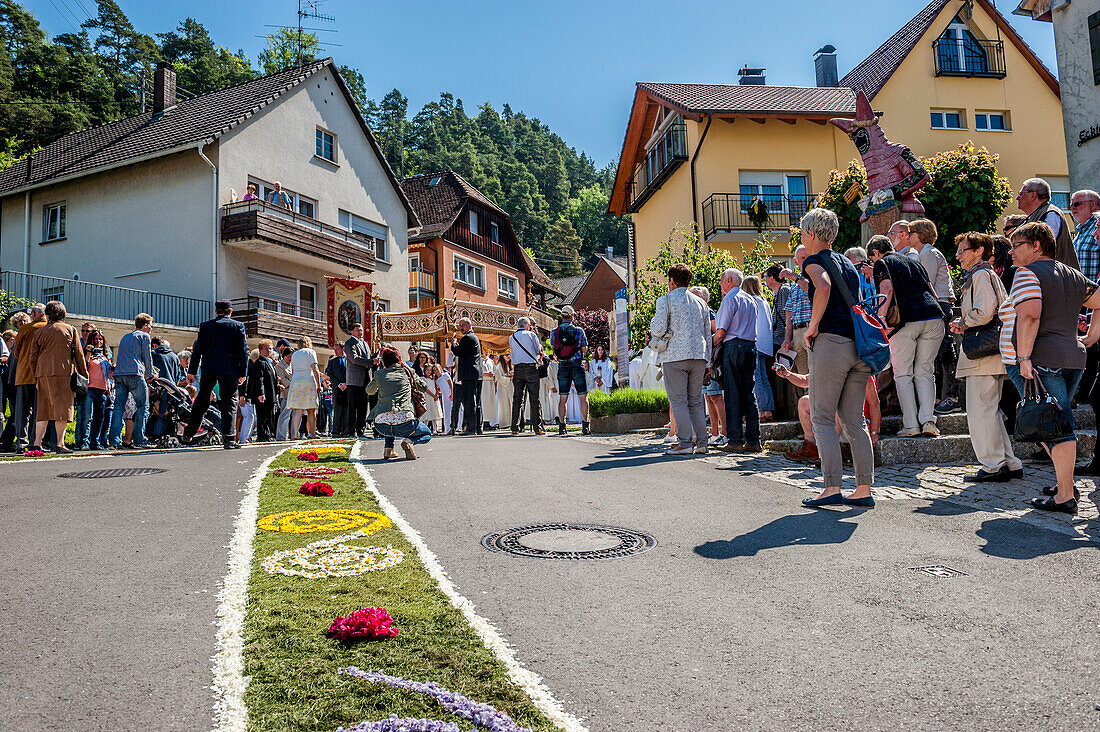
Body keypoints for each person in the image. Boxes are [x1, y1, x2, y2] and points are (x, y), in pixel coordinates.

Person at [1003, 222, 1100, 513]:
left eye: (1016, 245)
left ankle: (1065, 496)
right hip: (1072, 357)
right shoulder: (1073, 273)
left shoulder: (1027, 273)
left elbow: (1030, 315)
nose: (1011, 251)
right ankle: (1065, 485)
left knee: (1057, 429)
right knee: (1056, 423)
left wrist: (1023, 358)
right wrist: (1090, 337)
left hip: (1042, 360)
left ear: (1036, 245)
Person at [797, 208, 876, 509]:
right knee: (855, 420)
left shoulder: (814, 260)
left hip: (832, 344)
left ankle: (831, 487)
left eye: (804, 233)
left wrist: (814, 325)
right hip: (858, 346)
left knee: (822, 417)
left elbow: (824, 286)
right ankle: (864, 488)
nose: (804, 238)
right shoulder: (847, 262)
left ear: (813, 235)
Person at [949, 232, 1024, 483]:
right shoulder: (987, 274)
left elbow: (983, 313)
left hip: (983, 354)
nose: (958, 256)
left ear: (979, 250)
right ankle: (1008, 462)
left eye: (962, 250)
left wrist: (963, 321)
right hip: (992, 352)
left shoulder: (980, 275)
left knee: (981, 411)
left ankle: (993, 465)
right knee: (990, 410)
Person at [868, 235, 945, 437]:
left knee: (903, 374)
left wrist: (882, 319)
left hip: (905, 321)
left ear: (876, 252)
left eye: (872, 258)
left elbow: (887, 288)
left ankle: (911, 425)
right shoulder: (914, 262)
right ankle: (928, 421)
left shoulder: (883, 263)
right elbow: (933, 293)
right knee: (925, 371)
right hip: (933, 316)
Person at [651, 263, 712, 455]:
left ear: (671, 281)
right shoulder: (701, 302)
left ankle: (685, 443)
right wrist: (708, 360)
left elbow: (659, 329)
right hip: (698, 356)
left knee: (678, 400)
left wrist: (653, 323)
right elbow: (707, 333)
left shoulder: (665, 300)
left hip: (675, 355)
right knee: (695, 401)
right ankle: (702, 443)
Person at [778, 365, 881, 463]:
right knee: (804, 402)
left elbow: (874, 404)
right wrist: (787, 374)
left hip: (857, 425)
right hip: (834, 424)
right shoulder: (830, 362)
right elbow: (805, 380)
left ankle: (829, 455)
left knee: (838, 405)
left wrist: (874, 433)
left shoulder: (861, 368)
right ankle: (811, 448)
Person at [183, 300, 249, 449]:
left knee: (202, 400)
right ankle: (229, 438)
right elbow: (242, 352)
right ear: (230, 311)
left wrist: (191, 371)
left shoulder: (205, 326)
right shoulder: (237, 326)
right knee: (229, 403)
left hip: (209, 368)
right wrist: (242, 372)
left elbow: (197, 351)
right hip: (229, 369)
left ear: (216, 311)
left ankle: (188, 433)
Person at [27, 301, 87, 454]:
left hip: (43, 374)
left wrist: (36, 376)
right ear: (63, 314)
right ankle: (60, 444)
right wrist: (85, 375)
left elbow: (32, 357)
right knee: (63, 409)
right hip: (64, 373)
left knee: (43, 409)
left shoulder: (39, 332)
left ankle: (36, 443)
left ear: (48, 314)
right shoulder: (71, 330)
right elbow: (79, 356)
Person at [713, 268, 760, 452]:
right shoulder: (751, 299)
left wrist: (709, 348)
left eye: (722, 280)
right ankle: (754, 440)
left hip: (734, 346)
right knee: (749, 393)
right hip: (750, 346)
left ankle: (735, 440)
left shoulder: (730, 299)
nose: (720, 284)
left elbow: (721, 332)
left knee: (732, 393)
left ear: (730, 280)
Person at [366, 347, 433, 459]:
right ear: (400, 360)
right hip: (405, 424)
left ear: (383, 361)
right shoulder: (407, 372)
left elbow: (369, 391)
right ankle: (409, 441)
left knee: (388, 414)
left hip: (381, 425)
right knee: (427, 434)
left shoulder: (379, 374)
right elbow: (423, 387)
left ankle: (388, 449)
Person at [108, 312, 155, 450]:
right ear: (145, 325)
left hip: (120, 375)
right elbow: (147, 357)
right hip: (135, 374)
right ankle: (139, 439)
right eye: (151, 326)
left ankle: (114, 441)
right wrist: (150, 374)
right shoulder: (145, 336)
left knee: (118, 407)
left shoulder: (125, 337)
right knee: (143, 406)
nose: (151, 329)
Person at [1017, 177, 1080, 270]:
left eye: (1021, 194)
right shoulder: (1036, 215)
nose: (1017, 198)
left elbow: (1043, 247)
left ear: (1033, 195)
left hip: (1056, 278)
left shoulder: (1050, 214)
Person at [8, 304, 47, 452]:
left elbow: (16, 353)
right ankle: (35, 442)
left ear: (34, 313)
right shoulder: (48, 329)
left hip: (24, 374)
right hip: (41, 375)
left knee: (22, 412)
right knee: (39, 412)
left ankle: (21, 443)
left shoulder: (24, 329)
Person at [691, 285, 725, 447]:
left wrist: (705, 345)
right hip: (703, 360)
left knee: (716, 396)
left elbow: (717, 332)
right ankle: (714, 432)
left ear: (704, 299)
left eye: (695, 296)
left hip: (712, 360)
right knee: (708, 397)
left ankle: (723, 432)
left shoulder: (709, 312)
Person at [551, 306, 590, 435]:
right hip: (577, 365)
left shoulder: (554, 332)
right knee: (583, 396)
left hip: (562, 366)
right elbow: (584, 349)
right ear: (572, 316)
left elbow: (555, 352)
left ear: (561, 317)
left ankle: (562, 426)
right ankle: (585, 425)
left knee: (563, 398)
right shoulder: (579, 331)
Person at [742, 275, 775, 422]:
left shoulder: (751, 300)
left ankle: (761, 410)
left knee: (757, 378)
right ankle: (768, 409)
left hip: (755, 342)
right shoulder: (764, 301)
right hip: (766, 344)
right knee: (764, 377)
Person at [509, 317, 545, 434]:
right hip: (530, 367)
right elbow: (538, 350)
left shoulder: (512, 337)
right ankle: (537, 427)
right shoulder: (531, 335)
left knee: (518, 398)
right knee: (534, 398)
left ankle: (515, 426)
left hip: (517, 368)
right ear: (527, 326)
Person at [781, 246, 811, 383]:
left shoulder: (815, 279)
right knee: (805, 380)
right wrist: (787, 339)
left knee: (816, 377)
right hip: (798, 333)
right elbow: (789, 315)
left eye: (808, 257)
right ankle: (808, 404)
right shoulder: (793, 286)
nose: (807, 260)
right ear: (796, 261)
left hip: (812, 330)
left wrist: (794, 276)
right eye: (803, 258)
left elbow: (811, 290)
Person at [451, 317, 483, 436]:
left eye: (463, 325)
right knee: (477, 403)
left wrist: (453, 343)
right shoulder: (474, 338)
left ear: (469, 325)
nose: (461, 328)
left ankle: (471, 428)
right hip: (476, 373)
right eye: (460, 325)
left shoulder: (467, 338)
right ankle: (478, 427)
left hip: (469, 374)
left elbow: (458, 351)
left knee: (469, 402)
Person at [286, 336, 321, 440]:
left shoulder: (295, 354)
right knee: (311, 409)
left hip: (296, 381)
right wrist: (318, 384)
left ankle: (295, 434)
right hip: (308, 381)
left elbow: (292, 370)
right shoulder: (311, 352)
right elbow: (315, 368)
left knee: (298, 411)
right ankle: (313, 434)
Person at [83, 331, 112, 450]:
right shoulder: (87, 352)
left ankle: (95, 442)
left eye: (100, 339)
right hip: (90, 388)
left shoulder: (105, 356)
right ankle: (84, 442)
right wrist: (89, 353)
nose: (98, 341)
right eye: (95, 339)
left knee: (99, 418)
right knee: (87, 417)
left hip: (102, 389)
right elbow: (84, 366)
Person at [343, 324, 372, 437]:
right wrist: (371, 362)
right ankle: (351, 431)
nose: (360, 332)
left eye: (361, 329)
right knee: (352, 407)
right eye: (357, 330)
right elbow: (355, 359)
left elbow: (368, 358)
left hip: (365, 379)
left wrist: (376, 357)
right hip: (354, 381)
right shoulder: (349, 343)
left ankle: (361, 430)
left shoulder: (365, 343)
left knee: (363, 407)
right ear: (352, 332)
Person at [248, 339, 278, 441]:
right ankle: (264, 436)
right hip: (264, 395)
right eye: (266, 349)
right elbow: (259, 379)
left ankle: (269, 435)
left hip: (271, 394)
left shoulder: (269, 362)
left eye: (270, 348)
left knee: (270, 416)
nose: (269, 351)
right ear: (260, 350)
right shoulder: (260, 362)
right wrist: (261, 393)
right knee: (263, 416)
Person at [325, 343, 349, 436]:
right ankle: (335, 431)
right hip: (337, 389)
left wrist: (347, 383)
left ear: (343, 349)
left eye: (337, 349)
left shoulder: (349, 360)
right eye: (334, 349)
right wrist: (339, 384)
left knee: (347, 410)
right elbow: (329, 375)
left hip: (348, 388)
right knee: (337, 411)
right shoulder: (332, 361)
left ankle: (346, 431)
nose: (335, 351)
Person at [238, 349, 259, 445]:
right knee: (249, 416)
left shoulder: (249, 366)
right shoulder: (248, 366)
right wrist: (242, 396)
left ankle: (247, 437)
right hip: (245, 395)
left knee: (251, 416)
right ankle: (244, 438)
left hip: (248, 395)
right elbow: (243, 383)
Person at [274, 346, 294, 440]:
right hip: (286, 393)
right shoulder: (279, 365)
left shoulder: (293, 365)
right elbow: (282, 379)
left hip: (294, 393)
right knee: (284, 415)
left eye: (292, 356)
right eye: (289, 356)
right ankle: (280, 436)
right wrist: (295, 384)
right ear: (284, 355)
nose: (290, 358)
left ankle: (294, 435)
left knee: (295, 415)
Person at [435, 363, 454, 434]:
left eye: (437, 369)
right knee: (446, 413)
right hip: (444, 397)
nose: (436, 371)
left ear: (440, 368)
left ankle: (458, 427)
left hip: (449, 395)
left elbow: (451, 384)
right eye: (434, 370)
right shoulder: (437, 380)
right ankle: (447, 429)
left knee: (455, 410)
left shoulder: (445, 375)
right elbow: (439, 389)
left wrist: (452, 394)